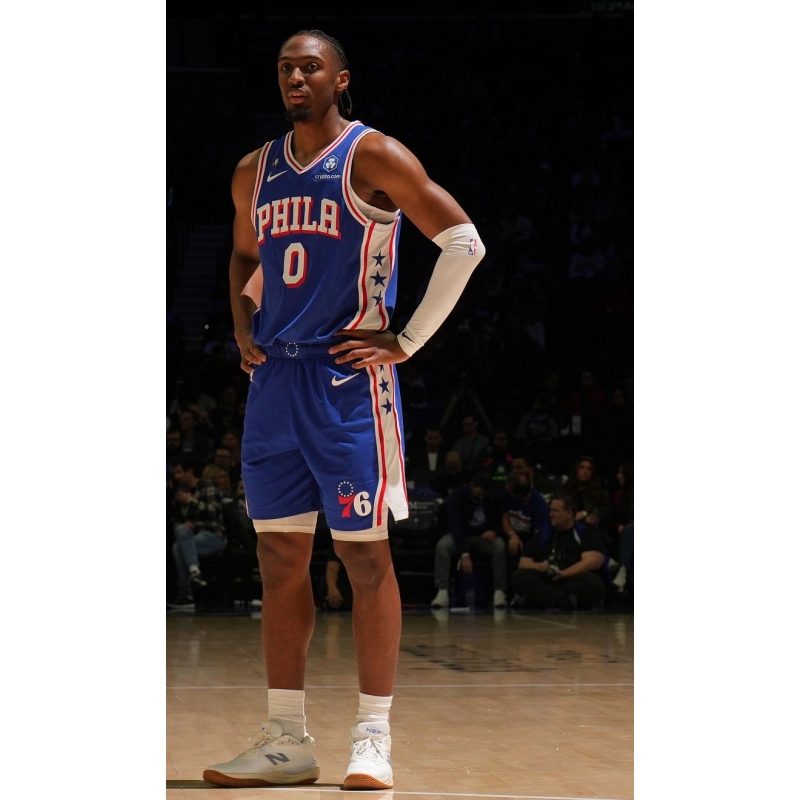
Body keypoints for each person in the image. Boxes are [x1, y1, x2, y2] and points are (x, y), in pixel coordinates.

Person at [202, 29, 486, 791]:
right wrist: (241, 321)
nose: (296, 76)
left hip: (346, 382)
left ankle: (373, 736)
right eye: (285, 67)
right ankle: (285, 740)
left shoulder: (373, 156)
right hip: (274, 383)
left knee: (364, 557)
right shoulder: (253, 170)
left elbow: (464, 242)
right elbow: (245, 255)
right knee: (278, 558)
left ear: (341, 79)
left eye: (311, 67)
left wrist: (406, 340)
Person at [509, 492, 607, 611]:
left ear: (569, 513)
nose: (551, 515)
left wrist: (565, 573)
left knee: (593, 583)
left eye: (555, 511)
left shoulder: (585, 532)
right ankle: (562, 601)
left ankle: (547, 600)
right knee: (518, 577)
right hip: (547, 578)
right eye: (550, 511)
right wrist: (539, 567)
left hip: (571, 577)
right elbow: (523, 563)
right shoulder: (544, 533)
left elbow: (594, 561)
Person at [430, 472, 508, 610]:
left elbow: (498, 520)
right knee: (443, 545)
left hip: (483, 536)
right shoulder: (457, 496)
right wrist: (464, 554)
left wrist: (494, 531)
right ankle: (442, 591)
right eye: (478, 493)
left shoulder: (494, 497)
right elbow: (455, 526)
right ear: (472, 487)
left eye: (484, 494)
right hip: (461, 535)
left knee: (499, 545)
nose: (481, 497)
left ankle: (499, 591)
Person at [167, 454, 228, 610]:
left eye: (179, 472)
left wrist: (190, 501)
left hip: (214, 536)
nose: (176, 476)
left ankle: (186, 595)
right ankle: (195, 572)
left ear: (190, 472)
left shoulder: (208, 486)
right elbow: (177, 521)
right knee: (179, 540)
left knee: (178, 547)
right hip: (191, 538)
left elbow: (214, 511)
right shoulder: (180, 492)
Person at [500, 470, 551, 574]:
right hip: (510, 534)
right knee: (507, 546)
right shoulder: (506, 495)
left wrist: (528, 551)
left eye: (509, 489)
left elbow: (539, 534)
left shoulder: (538, 503)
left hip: (530, 539)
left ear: (518, 495)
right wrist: (512, 535)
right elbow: (504, 519)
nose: (506, 489)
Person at [449, 414, 491, 479]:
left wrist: (483, 467)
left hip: (480, 476)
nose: (467, 427)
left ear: (475, 424)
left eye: (469, 424)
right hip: (460, 477)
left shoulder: (484, 442)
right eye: (464, 425)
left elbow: (490, 459)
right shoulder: (457, 444)